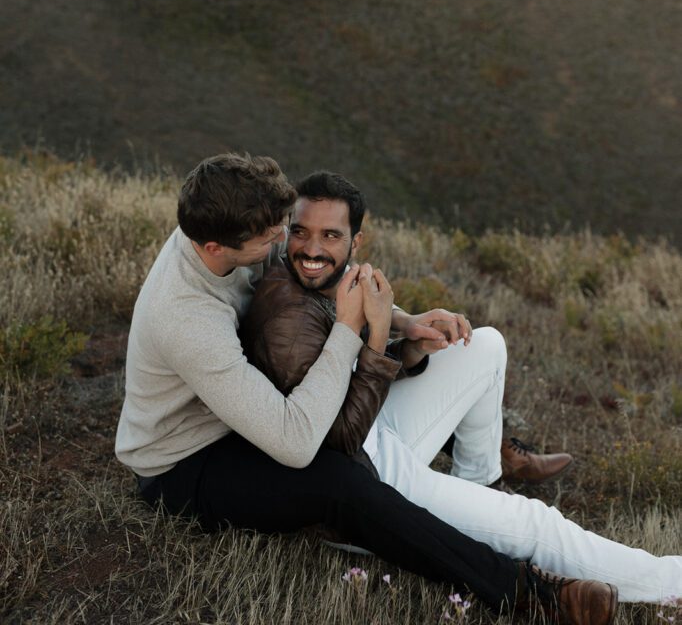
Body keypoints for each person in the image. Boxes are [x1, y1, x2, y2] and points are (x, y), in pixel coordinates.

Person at [116, 152, 619, 624]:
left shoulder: (225, 221)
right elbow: (294, 445)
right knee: (339, 483)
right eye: (270, 237)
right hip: (188, 459)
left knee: (351, 402)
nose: (281, 243)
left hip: (241, 401)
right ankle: (530, 594)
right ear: (213, 247)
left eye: (281, 227)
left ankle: (491, 457)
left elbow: (304, 279)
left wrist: (401, 320)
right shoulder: (187, 318)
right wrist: (349, 329)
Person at [241, 169, 682, 605]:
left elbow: (351, 376)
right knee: (534, 522)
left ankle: (479, 484)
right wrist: (378, 336)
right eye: (300, 233)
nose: (312, 249)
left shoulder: (320, 277)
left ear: (355, 241)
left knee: (484, 346)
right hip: (365, 482)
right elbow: (338, 442)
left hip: (374, 431)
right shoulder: (287, 325)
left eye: (330, 236)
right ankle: (669, 582)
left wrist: (410, 341)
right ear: (287, 233)